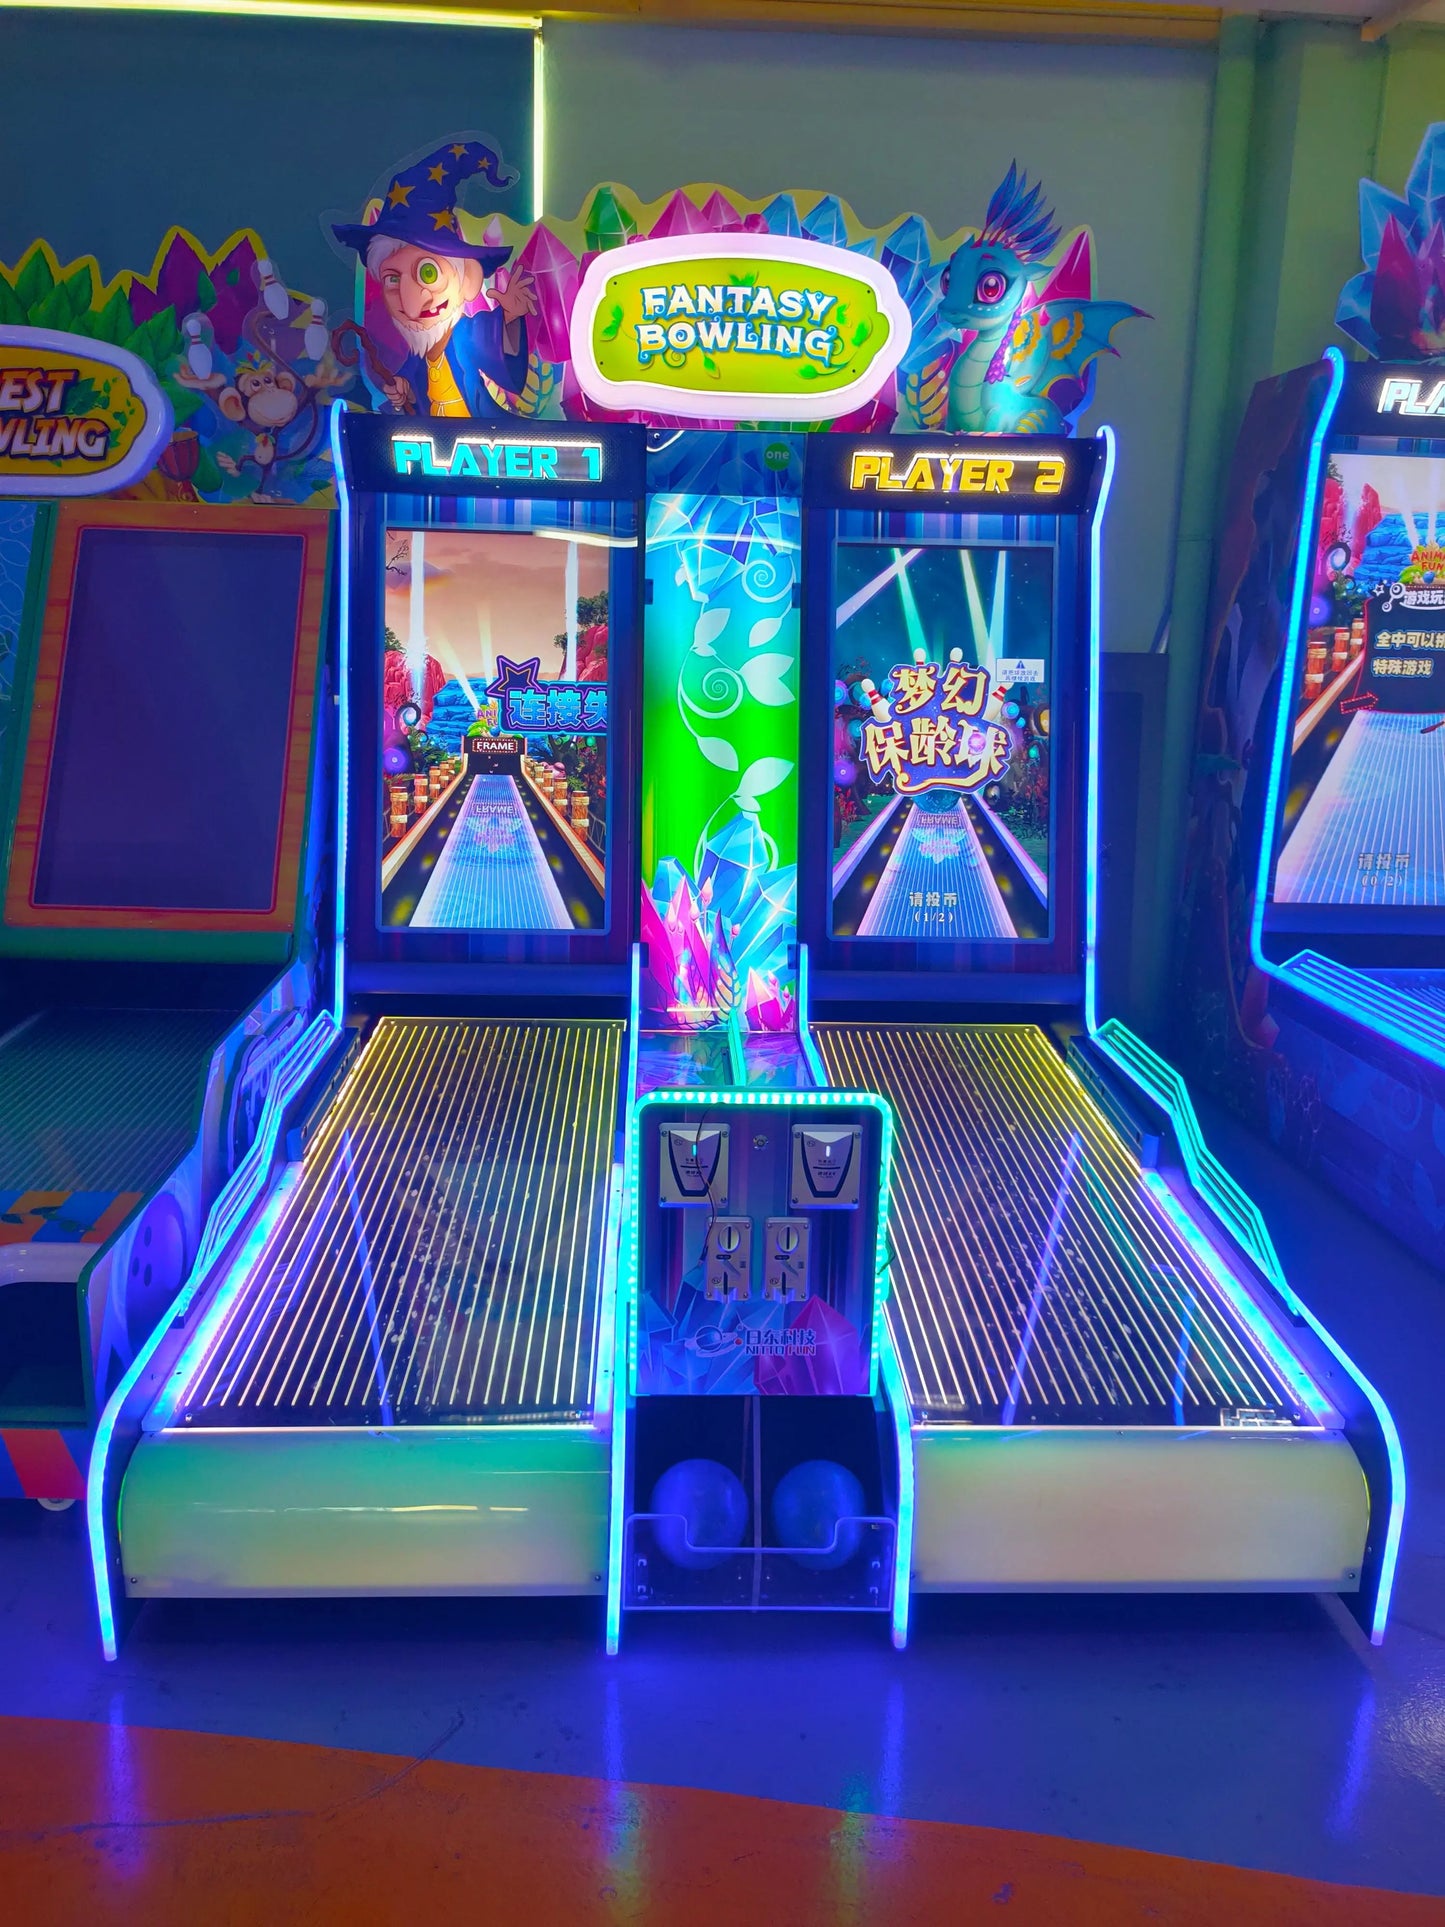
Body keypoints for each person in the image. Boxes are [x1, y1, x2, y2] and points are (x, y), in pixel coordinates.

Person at [332, 138, 536, 417]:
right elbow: (413, 378)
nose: (410, 304)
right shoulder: (420, 349)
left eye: (428, 273)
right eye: (393, 279)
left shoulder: (466, 334)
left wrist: (510, 319)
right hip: (435, 437)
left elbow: (500, 356)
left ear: (468, 278)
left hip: (478, 434)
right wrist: (402, 387)